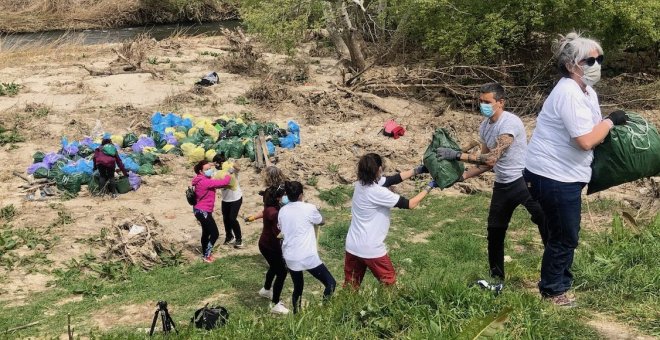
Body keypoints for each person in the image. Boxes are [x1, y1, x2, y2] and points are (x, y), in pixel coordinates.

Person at [524, 32, 628, 306]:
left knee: (557, 230)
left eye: (599, 59)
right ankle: (553, 290)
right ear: (572, 65)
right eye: (589, 60)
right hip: (553, 175)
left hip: (564, 173)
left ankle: (559, 277)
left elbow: (592, 129)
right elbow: (585, 140)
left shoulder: (587, 91)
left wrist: (604, 125)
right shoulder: (568, 93)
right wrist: (610, 121)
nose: (596, 64)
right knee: (565, 235)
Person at [435, 83, 546, 290]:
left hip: (523, 181)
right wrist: (461, 177)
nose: (483, 105)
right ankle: (497, 279)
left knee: (544, 222)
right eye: (481, 101)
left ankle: (553, 274)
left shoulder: (510, 123)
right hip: (503, 185)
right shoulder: (485, 126)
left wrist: (457, 155)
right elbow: (484, 164)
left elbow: (491, 158)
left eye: (488, 102)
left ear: (500, 102)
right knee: (495, 231)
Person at [344, 153, 435, 289]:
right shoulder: (378, 193)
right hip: (371, 248)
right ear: (379, 169)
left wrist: (418, 170)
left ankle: (345, 310)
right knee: (389, 285)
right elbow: (410, 204)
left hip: (352, 245)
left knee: (351, 288)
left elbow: (391, 180)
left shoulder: (360, 184)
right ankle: (387, 309)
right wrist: (430, 186)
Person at [278, 181, 335, 313]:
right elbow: (322, 221)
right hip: (307, 256)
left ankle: (297, 314)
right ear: (301, 195)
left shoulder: (282, 210)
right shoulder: (309, 208)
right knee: (331, 283)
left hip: (290, 256)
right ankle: (324, 310)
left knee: (298, 287)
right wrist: (317, 211)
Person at [257, 185, 290, 314]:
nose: (285, 198)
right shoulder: (274, 213)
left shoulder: (270, 207)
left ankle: (266, 290)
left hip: (266, 244)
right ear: (277, 198)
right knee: (282, 272)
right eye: (283, 196)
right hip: (271, 246)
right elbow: (279, 233)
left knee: (274, 267)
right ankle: (275, 304)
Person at [191, 160, 232, 263]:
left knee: (206, 232)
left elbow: (218, 184)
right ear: (201, 171)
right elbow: (224, 182)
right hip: (203, 211)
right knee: (215, 233)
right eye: (207, 169)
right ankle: (207, 255)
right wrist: (228, 174)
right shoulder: (205, 182)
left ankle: (205, 253)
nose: (209, 170)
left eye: (210, 168)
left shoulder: (201, 179)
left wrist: (214, 164)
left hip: (200, 210)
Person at [212, 153, 244, 249]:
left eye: (217, 164)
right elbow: (215, 183)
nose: (216, 166)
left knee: (232, 219)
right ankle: (229, 236)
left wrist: (233, 163)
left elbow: (238, 168)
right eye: (215, 164)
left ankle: (239, 239)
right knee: (226, 219)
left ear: (221, 163)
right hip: (225, 199)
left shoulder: (231, 169)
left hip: (236, 198)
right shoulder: (216, 172)